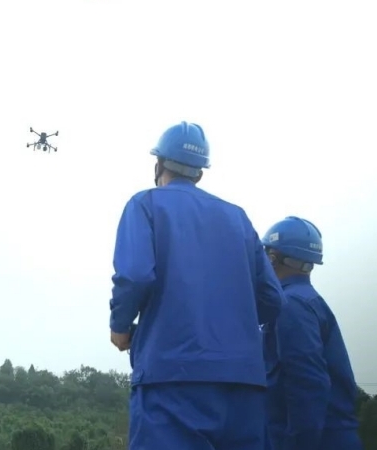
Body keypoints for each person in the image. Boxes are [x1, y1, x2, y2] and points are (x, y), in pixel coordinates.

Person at [108, 121, 286, 450]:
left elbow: (134, 275)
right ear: (200, 173)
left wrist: (120, 327)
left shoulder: (145, 204)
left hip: (172, 380)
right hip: (244, 386)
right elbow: (272, 299)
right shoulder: (238, 218)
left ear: (157, 165)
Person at [261, 217, 363, 450]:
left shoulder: (290, 305)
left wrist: (297, 443)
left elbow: (306, 383)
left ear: (273, 258)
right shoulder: (305, 300)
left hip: (315, 439)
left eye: (266, 252)